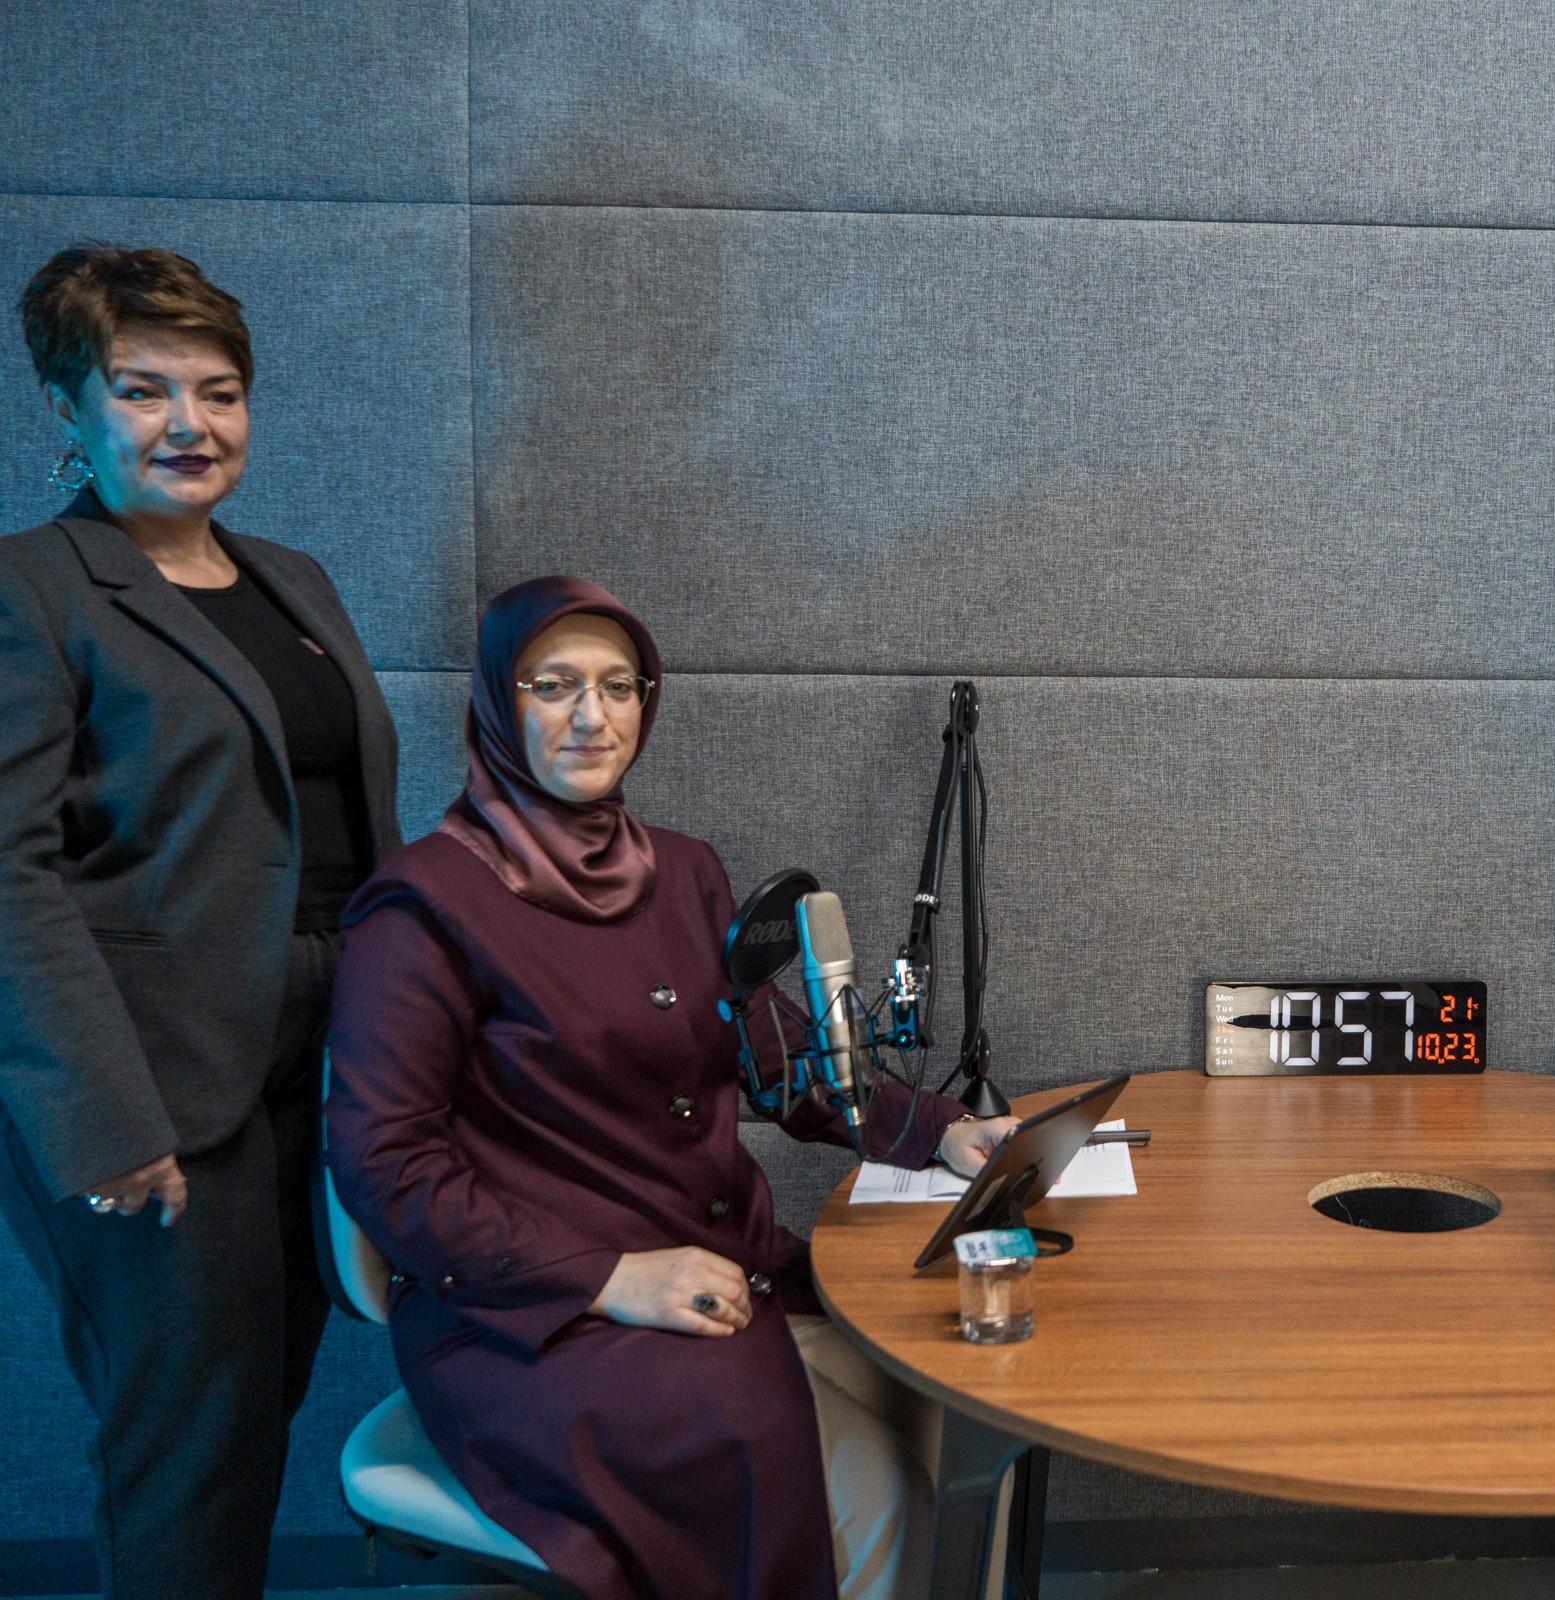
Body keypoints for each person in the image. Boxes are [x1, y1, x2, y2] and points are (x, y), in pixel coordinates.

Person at [325, 576, 1012, 1600]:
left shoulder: (685, 872)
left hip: (717, 1267)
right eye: (553, 685)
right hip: (536, 1317)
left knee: (949, 1383)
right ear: (499, 702)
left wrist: (943, 1130)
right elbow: (386, 1166)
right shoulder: (419, 906)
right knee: (865, 1490)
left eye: (618, 685)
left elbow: (776, 1053)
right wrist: (608, 1277)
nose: (591, 716)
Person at [0, 244, 401, 1598]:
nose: (190, 423)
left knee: (263, 1397)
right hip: (151, 1070)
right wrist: (106, 1117)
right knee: (190, 1437)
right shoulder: (33, 588)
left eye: (219, 392)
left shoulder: (292, 578)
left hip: (326, 1048)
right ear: (68, 407)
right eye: (143, 390)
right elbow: (8, 875)